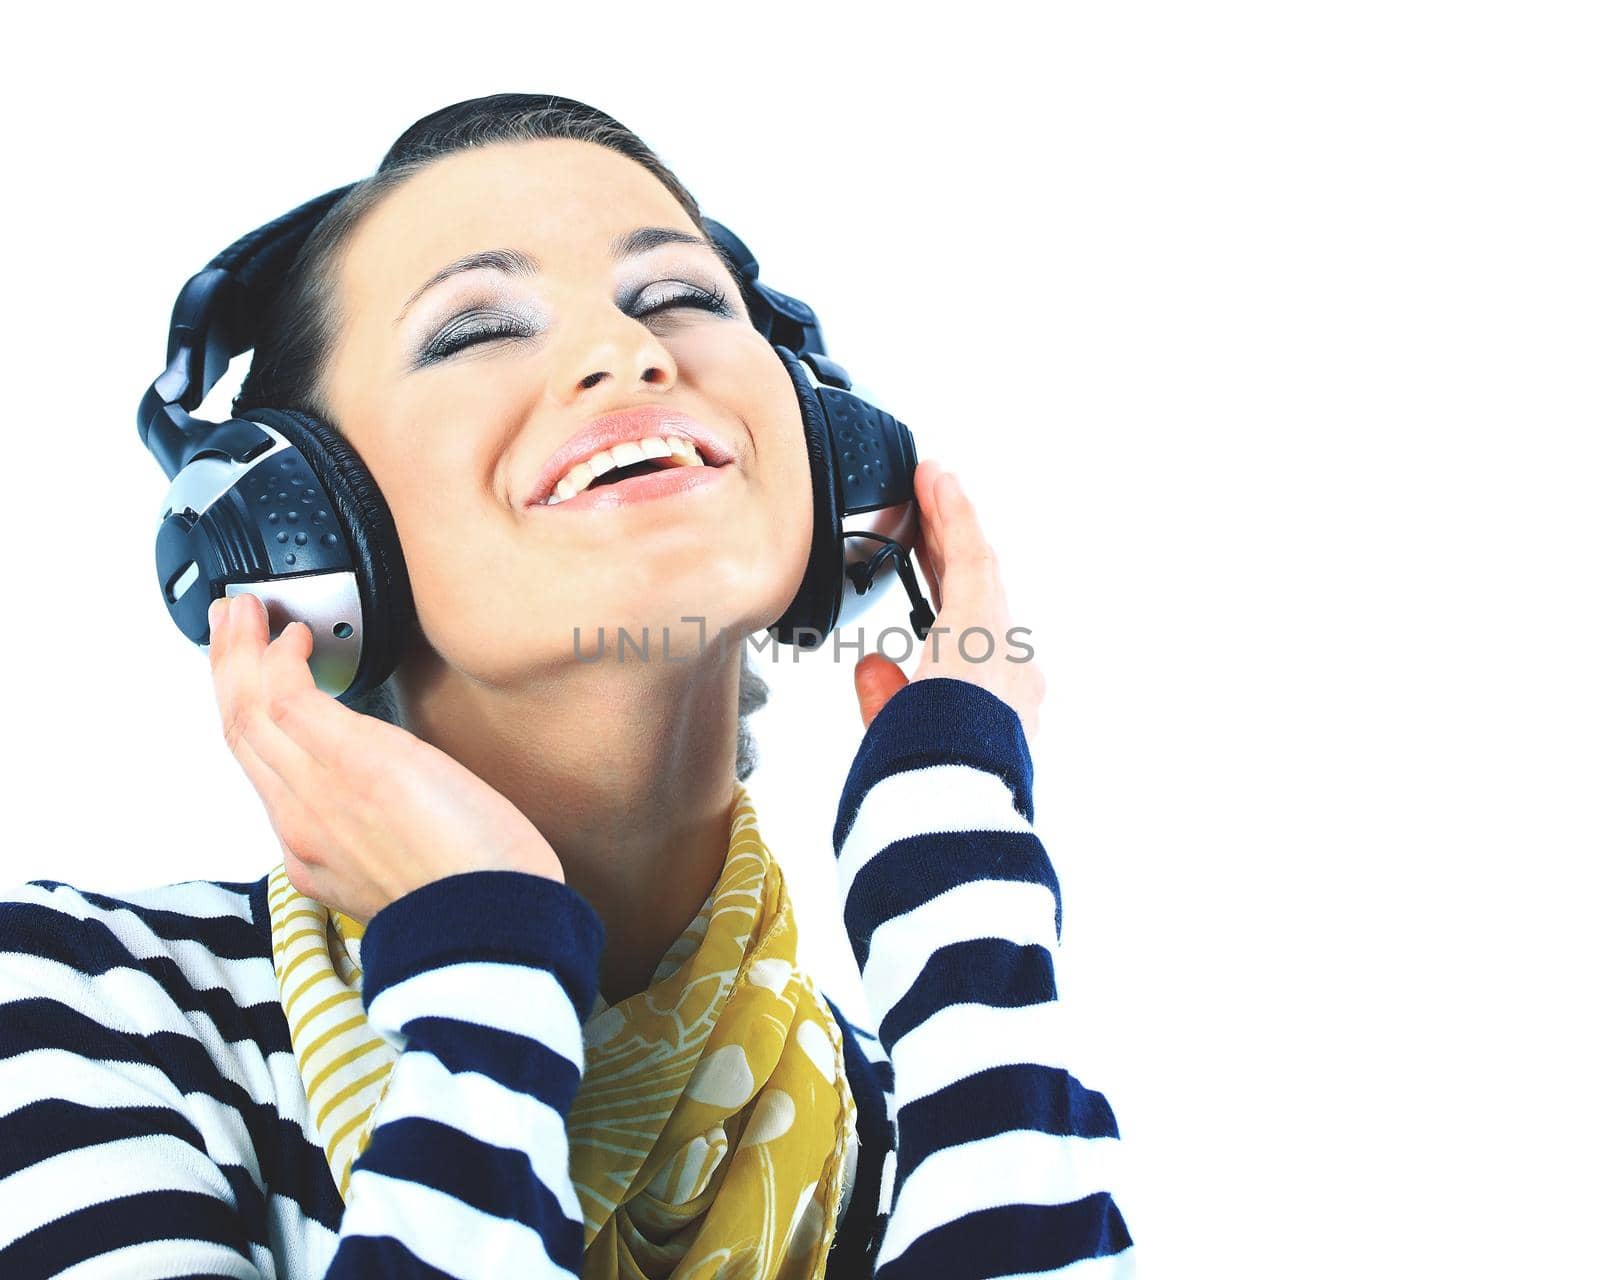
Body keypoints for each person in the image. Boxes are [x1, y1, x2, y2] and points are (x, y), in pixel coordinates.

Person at [0, 94, 1133, 1278]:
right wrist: (484, 957)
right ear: (300, 531)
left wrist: (948, 852)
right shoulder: (78, 1013)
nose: (628, 352)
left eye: (681, 298)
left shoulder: (942, 1105)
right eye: (475, 328)